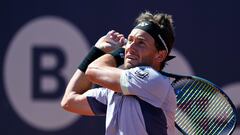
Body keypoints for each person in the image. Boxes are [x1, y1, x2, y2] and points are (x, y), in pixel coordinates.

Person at [61, 11, 177, 135]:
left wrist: (118, 52)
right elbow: (69, 101)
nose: (130, 46)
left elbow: (93, 70)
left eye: (141, 43)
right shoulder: (115, 90)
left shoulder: (152, 80)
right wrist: (96, 52)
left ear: (160, 55)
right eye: (130, 41)